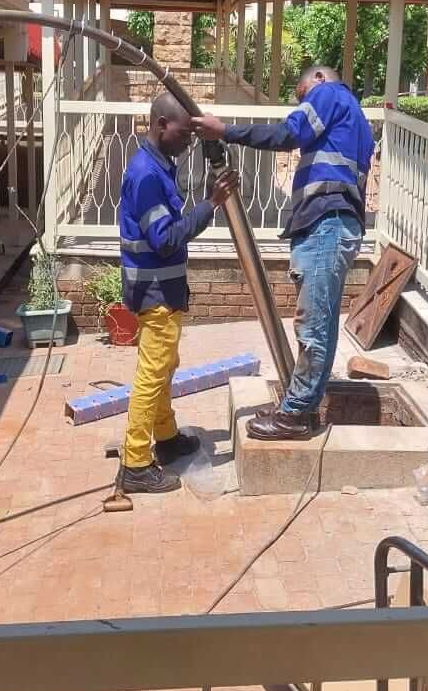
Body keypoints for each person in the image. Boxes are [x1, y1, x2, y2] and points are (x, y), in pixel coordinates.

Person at [192, 65, 375, 441]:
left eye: (301, 93)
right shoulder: (355, 118)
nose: (302, 101)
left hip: (328, 221)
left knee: (314, 326)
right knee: (318, 322)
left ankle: (294, 415)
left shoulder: (328, 94)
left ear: (319, 79)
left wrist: (226, 130)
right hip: (334, 222)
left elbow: (287, 133)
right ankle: (301, 407)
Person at [119, 91, 238, 494]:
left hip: (160, 289)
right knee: (152, 376)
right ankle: (135, 463)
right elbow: (166, 239)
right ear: (160, 126)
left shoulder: (158, 165)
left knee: (165, 366)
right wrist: (211, 204)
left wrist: (205, 199)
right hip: (155, 292)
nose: (188, 142)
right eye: (184, 133)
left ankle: (166, 438)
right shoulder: (147, 175)